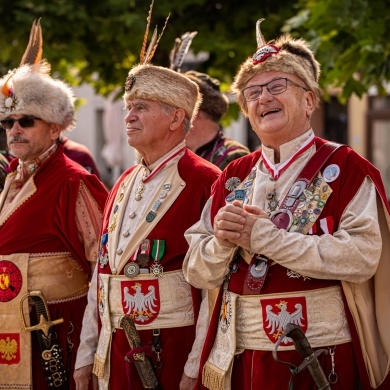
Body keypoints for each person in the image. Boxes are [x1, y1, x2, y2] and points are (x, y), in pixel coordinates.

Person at [183, 19, 390, 390]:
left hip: (320, 359)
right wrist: (220, 243)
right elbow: (196, 272)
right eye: (251, 92)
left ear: (309, 99)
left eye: (277, 86)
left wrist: (266, 237)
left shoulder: (346, 168)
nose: (263, 98)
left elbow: (363, 256)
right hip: (241, 360)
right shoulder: (233, 175)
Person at [73, 9, 221, 390]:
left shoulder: (206, 180)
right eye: (129, 107)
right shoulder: (122, 181)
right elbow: (100, 278)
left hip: (171, 352)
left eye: (141, 107)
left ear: (176, 119)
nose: (129, 116)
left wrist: (195, 368)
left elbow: (216, 290)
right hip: (117, 353)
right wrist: (87, 354)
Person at [0, 19, 108, 390]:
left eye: (26, 120)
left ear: (55, 126)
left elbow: (103, 269)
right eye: (8, 121)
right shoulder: (12, 178)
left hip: (57, 332)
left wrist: (91, 351)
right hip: (10, 329)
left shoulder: (74, 180)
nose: (14, 129)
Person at [184, 70, 250, 170]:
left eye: (178, 109)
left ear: (194, 113)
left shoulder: (235, 157)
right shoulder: (177, 157)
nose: (172, 116)